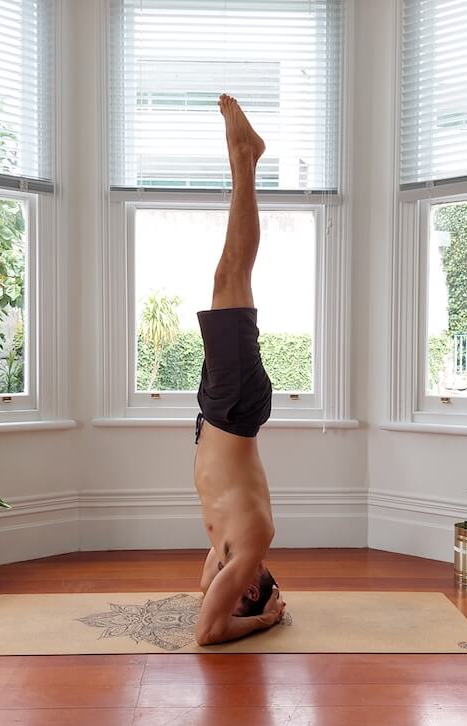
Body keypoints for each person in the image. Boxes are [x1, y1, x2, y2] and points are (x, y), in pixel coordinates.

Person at [193, 95, 286, 647]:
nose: (224, 587)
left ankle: (245, 163)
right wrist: (266, 620)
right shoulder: (252, 542)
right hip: (234, 409)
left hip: (217, 412)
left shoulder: (227, 551)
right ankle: (245, 161)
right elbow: (209, 632)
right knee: (231, 275)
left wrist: (248, 605)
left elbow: (206, 596)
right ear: (251, 585)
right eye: (243, 591)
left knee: (228, 276)